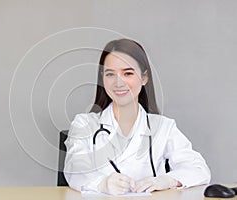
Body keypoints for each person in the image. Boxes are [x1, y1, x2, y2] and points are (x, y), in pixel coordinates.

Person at [64, 38, 211, 195]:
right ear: (102, 78)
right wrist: (102, 184)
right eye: (110, 74)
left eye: (128, 73)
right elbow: (74, 168)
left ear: (144, 78)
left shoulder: (163, 127)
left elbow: (199, 169)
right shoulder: (84, 124)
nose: (118, 83)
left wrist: (166, 180)